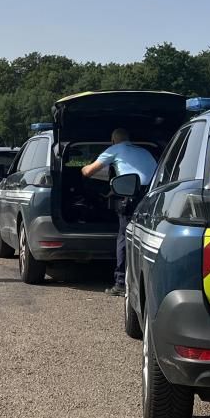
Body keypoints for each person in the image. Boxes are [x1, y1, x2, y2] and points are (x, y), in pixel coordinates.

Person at [81, 127, 157, 297]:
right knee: (146, 238)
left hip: (131, 197)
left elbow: (89, 171)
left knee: (124, 236)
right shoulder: (144, 151)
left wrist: (81, 169)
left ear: (113, 140)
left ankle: (121, 283)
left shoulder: (115, 149)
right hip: (152, 197)